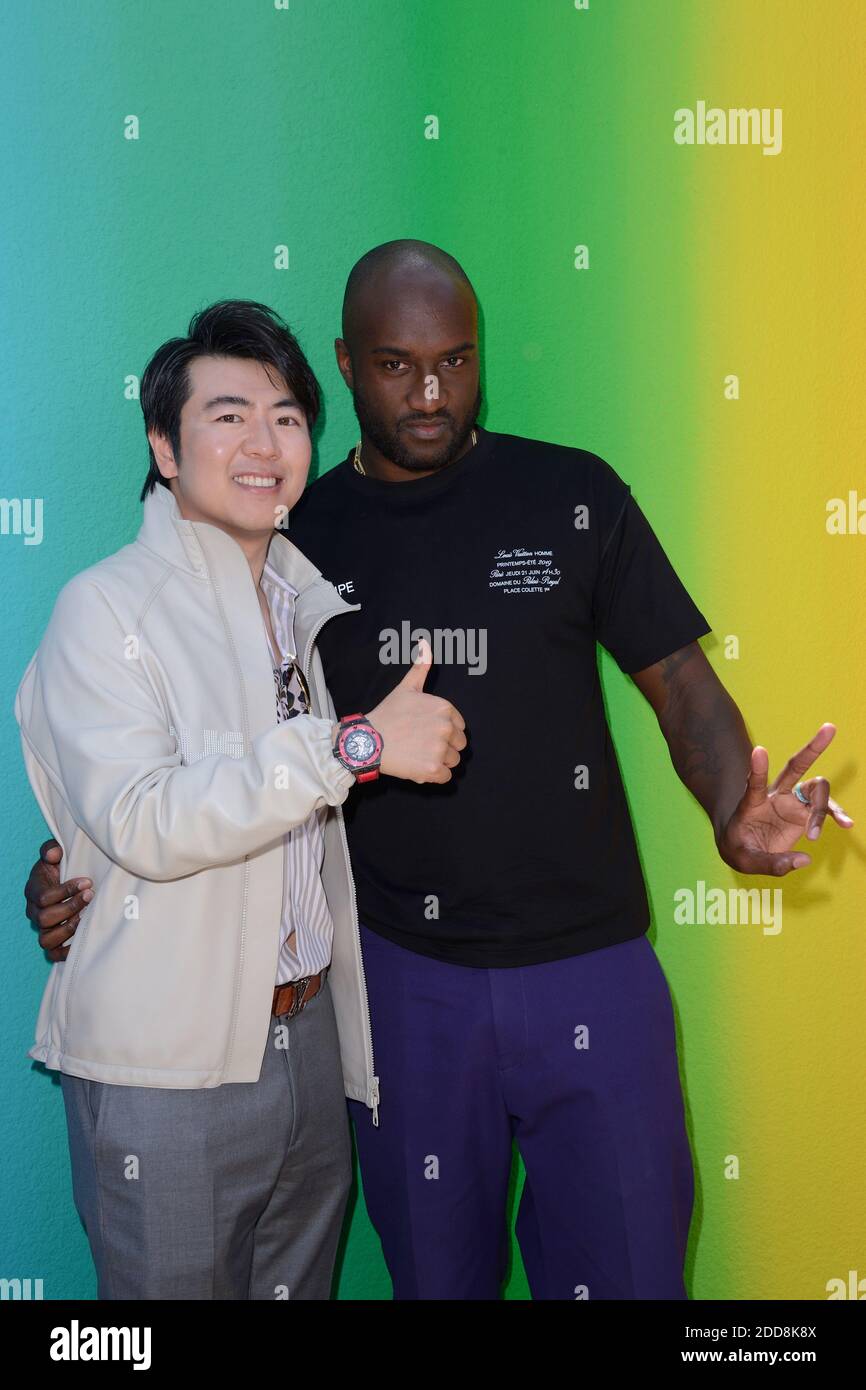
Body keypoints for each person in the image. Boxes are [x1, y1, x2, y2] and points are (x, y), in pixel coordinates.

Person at [25, 242, 853, 1300]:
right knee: (435, 1280)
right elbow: (180, 756)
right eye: (393, 365)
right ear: (345, 363)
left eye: (454, 362)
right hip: (398, 983)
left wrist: (735, 809)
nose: (428, 392)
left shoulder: (571, 495)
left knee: (635, 1273)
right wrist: (77, 868)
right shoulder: (290, 539)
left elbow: (680, 681)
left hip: (588, 959)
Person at [14, 297, 466, 1300]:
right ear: (164, 448)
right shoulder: (105, 606)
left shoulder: (301, 607)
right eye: (227, 414)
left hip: (308, 1046)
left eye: (287, 416)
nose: (263, 441)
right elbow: (142, 817)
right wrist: (354, 744)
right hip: (165, 1067)